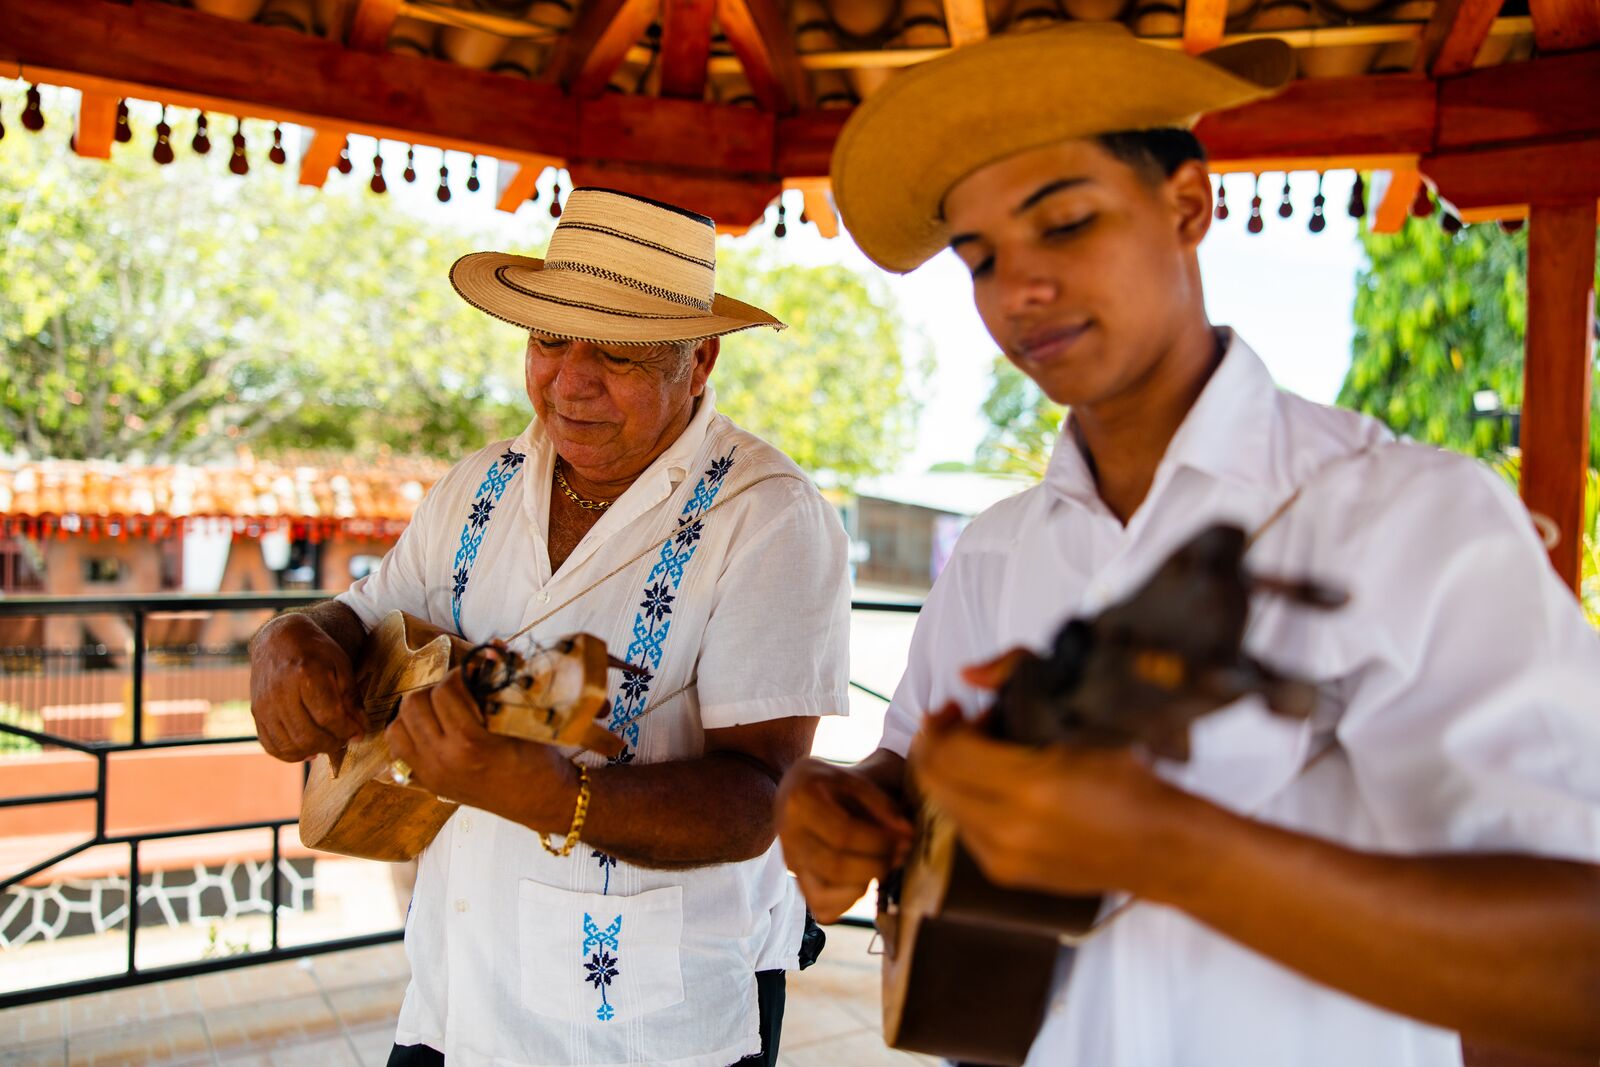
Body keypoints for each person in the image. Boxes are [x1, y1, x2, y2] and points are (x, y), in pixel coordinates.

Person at [775, 24, 1600, 1067]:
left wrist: (1172, 847)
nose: (1015, 288)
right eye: (979, 259)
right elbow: (908, 767)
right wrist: (847, 801)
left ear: (1188, 205)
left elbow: (1576, 971)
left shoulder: (1412, 518)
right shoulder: (994, 552)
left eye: (1065, 223)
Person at [250, 188, 851, 1067]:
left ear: (701, 360)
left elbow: (757, 798)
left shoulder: (768, 518)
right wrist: (288, 638)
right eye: (547, 340)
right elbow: (358, 615)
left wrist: (545, 793)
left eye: (617, 351)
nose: (570, 381)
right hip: (453, 999)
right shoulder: (477, 484)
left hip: (646, 1024)